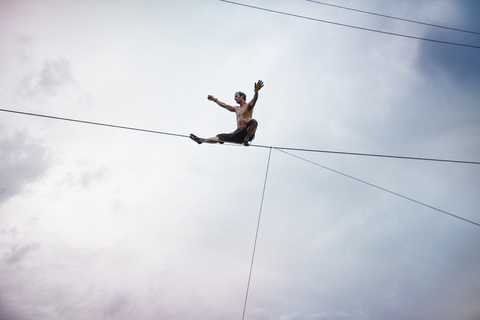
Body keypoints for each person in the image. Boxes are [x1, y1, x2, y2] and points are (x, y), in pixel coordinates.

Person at [190, 80, 264, 146]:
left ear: (242, 96)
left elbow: (254, 100)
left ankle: (246, 139)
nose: (235, 98)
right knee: (221, 136)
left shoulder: (248, 106)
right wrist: (215, 100)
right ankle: (201, 140)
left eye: (236, 96)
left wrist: (256, 91)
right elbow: (224, 106)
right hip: (239, 132)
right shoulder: (236, 108)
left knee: (254, 122)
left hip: (248, 131)